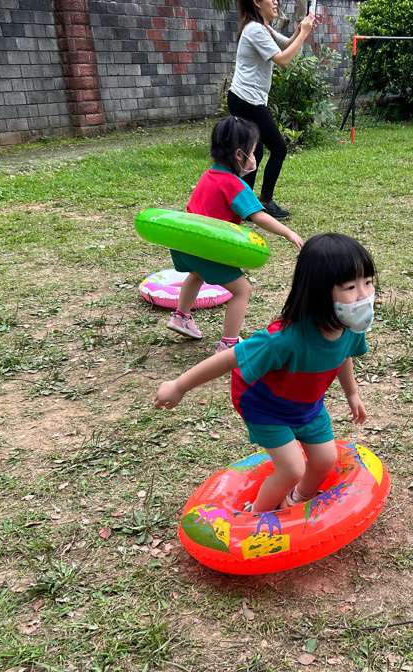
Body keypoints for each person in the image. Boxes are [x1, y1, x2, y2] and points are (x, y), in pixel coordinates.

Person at [155, 233, 375, 514]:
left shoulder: (350, 327)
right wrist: (179, 386)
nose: (364, 295)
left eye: (368, 282)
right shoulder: (284, 338)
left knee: (324, 460)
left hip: (306, 404)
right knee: (292, 468)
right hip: (264, 404)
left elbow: (343, 356)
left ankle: (297, 498)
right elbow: (229, 359)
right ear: (319, 290)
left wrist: (352, 393)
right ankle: (254, 515)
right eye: (350, 287)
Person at [168, 115, 303, 353]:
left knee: (196, 275)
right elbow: (259, 216)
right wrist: (288, 233)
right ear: (240, 155)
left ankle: (181, 317)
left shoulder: (208, 175)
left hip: (185, 246)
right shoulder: (235, 185)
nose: (254, 158)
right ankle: (228, 344)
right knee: (243, 290)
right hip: (207, 249)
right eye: (253, 152)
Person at [227, 0, 316, 220]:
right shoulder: (255, 30)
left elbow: (285, 45)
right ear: (257, 2)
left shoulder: (263, 28)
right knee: (278, 149)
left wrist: (299, 31)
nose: (275, 1)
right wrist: (304, 33)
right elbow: (283, 60)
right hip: (246, 101)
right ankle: (264, 202)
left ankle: (244, 204)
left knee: (254, 152)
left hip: (245, 99)